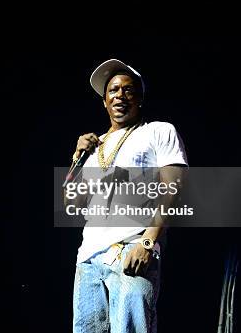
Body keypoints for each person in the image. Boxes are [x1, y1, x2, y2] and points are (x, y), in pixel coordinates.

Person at [70, 59, 188, 333]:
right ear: (104, 101)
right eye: (113, 91)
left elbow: (174, 188)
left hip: (131, 248)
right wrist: (76, 159)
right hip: (88, 259)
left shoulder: (158, 131)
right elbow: (71, 203)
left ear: (140, 98)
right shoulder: (92, 147)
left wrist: (147, 242)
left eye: (128, 90)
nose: (120, 96)